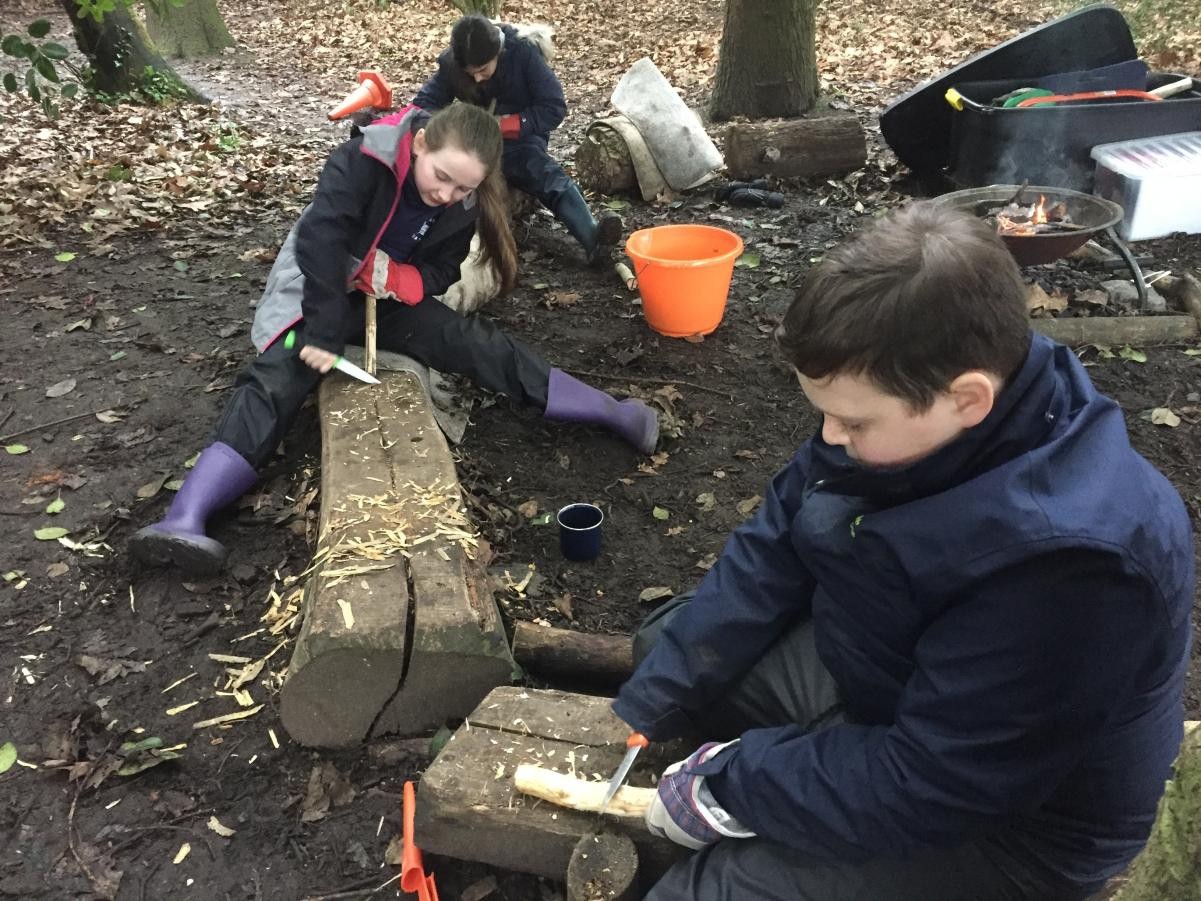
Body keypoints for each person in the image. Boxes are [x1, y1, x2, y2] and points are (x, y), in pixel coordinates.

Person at [612, 201, 1193, 900]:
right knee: (668, 647)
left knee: (705, 893)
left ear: (967, 399)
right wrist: (663, 691)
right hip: (900, 686)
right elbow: (778, 538)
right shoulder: (927, 394)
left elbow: (938, 782)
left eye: (853, 421)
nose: (829, 437)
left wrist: (738, 784)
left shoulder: (1072, 567)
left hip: (1012, 825)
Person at [131, 103, 657, 575]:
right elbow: (319, 242)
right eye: (442, 178)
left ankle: (611, 411)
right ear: (421, 142)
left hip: (384, 299)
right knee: (274, 381)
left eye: (463, 189)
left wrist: (405, 280)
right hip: (314, 291)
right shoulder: (362, 162)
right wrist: (324, 330)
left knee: (472, 342)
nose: (446, 195)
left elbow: (444, 268)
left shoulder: (462, 203)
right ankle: (186, 517)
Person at [413, 14, 622, 266]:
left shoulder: (523, 53)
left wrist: (506, 125)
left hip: (521, 138)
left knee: (544, 174)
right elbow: (424, 104)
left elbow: (553, 107)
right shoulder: (453, 64)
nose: (477, 78)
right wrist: (444, 127)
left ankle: (593, 238)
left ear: (498, 53)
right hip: (475, 140)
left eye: (483, 70)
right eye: (471, 73)